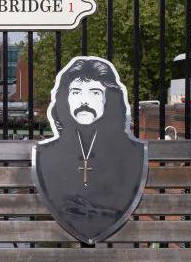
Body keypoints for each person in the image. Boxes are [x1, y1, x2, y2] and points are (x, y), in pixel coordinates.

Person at [32, 56, 148, 243]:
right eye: (76, 92)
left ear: (108, 99)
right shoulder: (45, 154)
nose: (84, 101)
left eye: (95, 92)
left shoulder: (133, 153)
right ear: (65, 98)